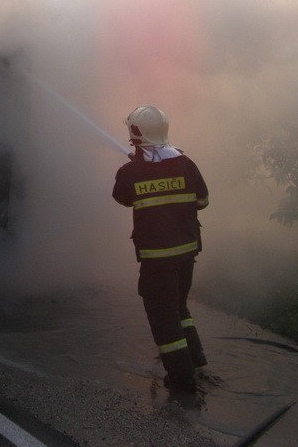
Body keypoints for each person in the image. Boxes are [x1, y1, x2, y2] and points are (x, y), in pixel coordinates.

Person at [112, 105, 209, 393]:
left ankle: (182, 379)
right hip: (187, 254)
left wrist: (139, 169)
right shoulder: (186, 163)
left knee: (163, 319)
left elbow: (123, 199)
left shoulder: (130, 171)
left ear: (136, 133)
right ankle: (196, 359)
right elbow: (202, 201)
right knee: (179, 307)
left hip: (157, 261)